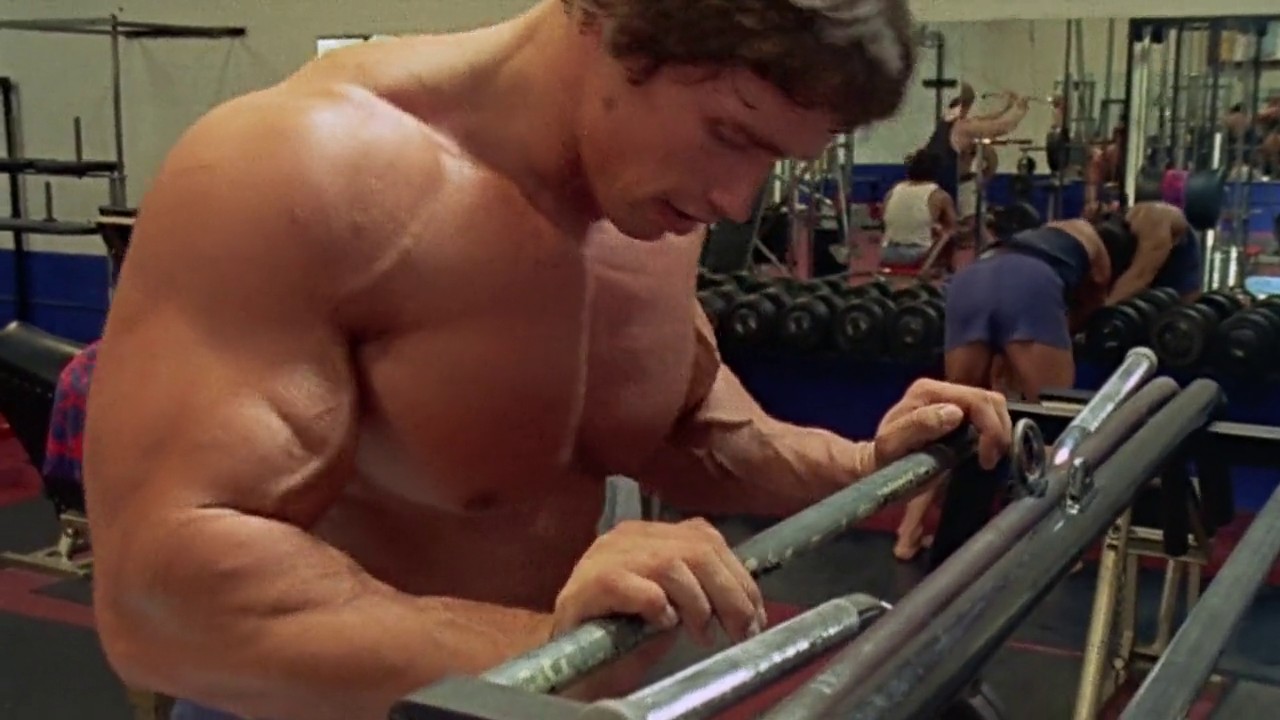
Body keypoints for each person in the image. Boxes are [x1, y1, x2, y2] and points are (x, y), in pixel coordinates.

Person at [81, 2, 1014, 720]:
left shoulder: (653, 204)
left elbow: (685, 424)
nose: (740, 200)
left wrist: (866, 466)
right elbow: (163, 600)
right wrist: (552, 654)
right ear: (605, 19)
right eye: (731, 133)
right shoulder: (297, 168)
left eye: (775, 159)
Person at [892, 200, 1201, 564]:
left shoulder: (1054, 230)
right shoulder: (1101, 253)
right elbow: (1106, 304)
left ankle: (908, 533)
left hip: (971, 279)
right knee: (1057, 422)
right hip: (1028, 285)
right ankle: (1053, 547)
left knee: (956, 418)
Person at [922, 85, 1030, 227]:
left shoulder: (946, 121)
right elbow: (1001, 127)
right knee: (976, 230)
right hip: (956, 188)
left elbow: (981, 120)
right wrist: (1020, 109)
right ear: (968, 104)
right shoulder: (962, 127)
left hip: (937, 186)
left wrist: (1006, 108)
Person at [880, 149, 958, 271]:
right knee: (949, 235)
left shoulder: (893, 191)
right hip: (918, 255)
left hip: (887, 253)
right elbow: (953, 227)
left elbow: (884, 220)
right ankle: (949, 270)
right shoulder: (940, 196)